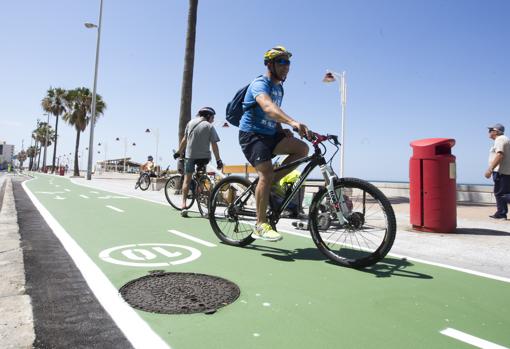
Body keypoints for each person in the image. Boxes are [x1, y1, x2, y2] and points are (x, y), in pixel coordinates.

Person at [238, 45, 312, 241]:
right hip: (252, 135)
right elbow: (268, 107)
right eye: (281, 61)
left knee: (302, 148)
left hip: (270, 134)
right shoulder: (259, 84)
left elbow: (273, 115)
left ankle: (272, 182)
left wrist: (282, 129)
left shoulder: (279, 88)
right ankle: (260, 224)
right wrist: (293, 122)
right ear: (270, 64)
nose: (286, 66)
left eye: (288, 62)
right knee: (266, 174)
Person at [174, 106, 223, 217]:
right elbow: (214, 145)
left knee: (187, 180)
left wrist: (178, 152)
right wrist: (218, 160)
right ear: (208, 116)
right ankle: (200, 190)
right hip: (204, 158)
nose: (213, 119)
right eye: (213, 117)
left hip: (190, 156)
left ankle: (183, 205)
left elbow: (184, 140)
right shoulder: (209, 126)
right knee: (201, 177)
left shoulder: (190, 123)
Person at [485, 123, 510, 219]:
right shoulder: (505, 139)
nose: (489, 132)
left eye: (490, 130)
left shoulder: (500, 140)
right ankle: (501, 213)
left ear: (496, 131)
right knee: (502, 193)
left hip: (501, 171)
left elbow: (500, 155)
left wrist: (490, 169)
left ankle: (501, 213)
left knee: (500, 193)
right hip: (505, 171)